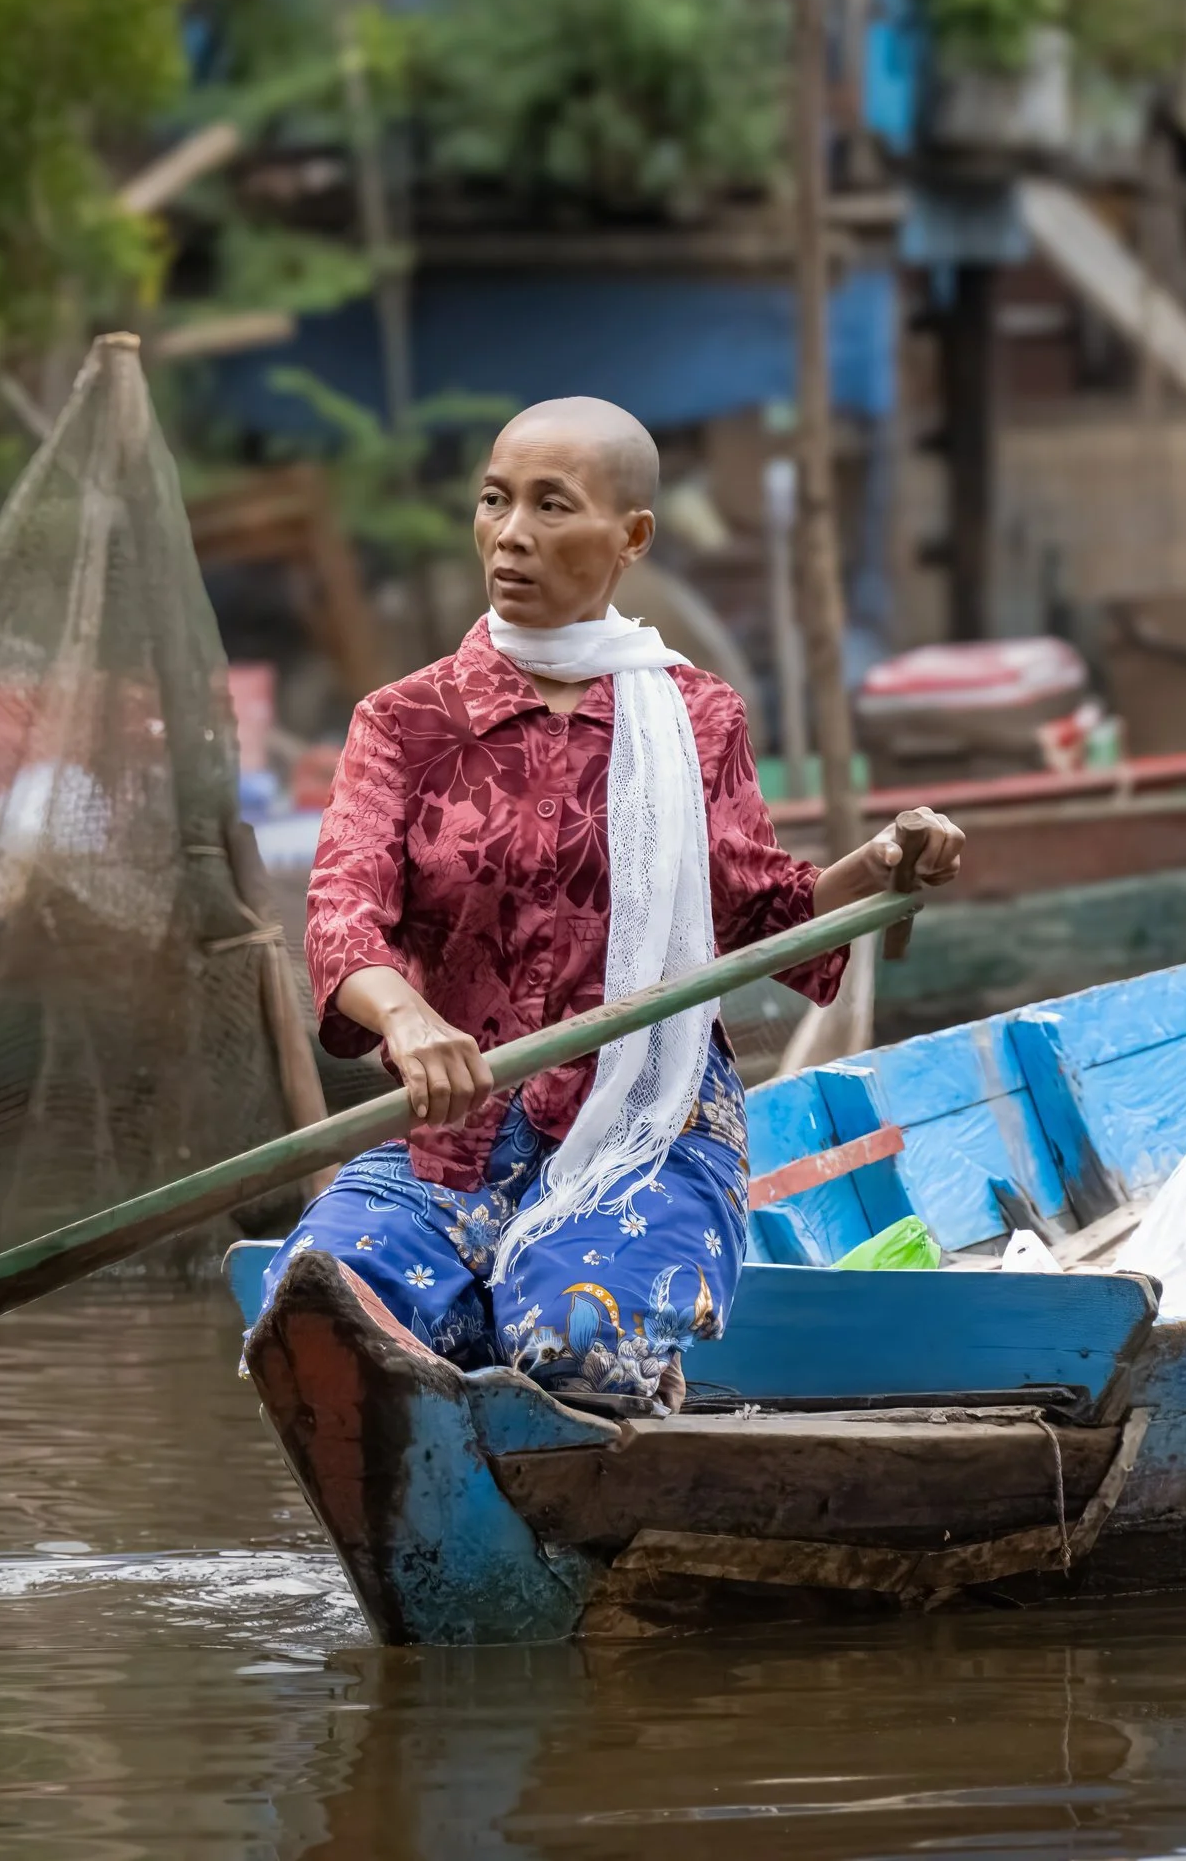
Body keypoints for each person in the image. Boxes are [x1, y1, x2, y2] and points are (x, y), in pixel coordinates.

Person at [280, 394, 964, 1410]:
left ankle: (589, 1350)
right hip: (458, 1136)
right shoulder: (405, 722)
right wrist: (410, 1017)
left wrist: (880, 863)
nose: (510, 533)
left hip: (652, 1123)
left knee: (573, 1337)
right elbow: (344, 910)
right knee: (321, 1304)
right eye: (494, 501)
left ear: (630, 536)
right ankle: (501, 1334)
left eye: (552, 506)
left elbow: (764, 924)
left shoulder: (693, 714)